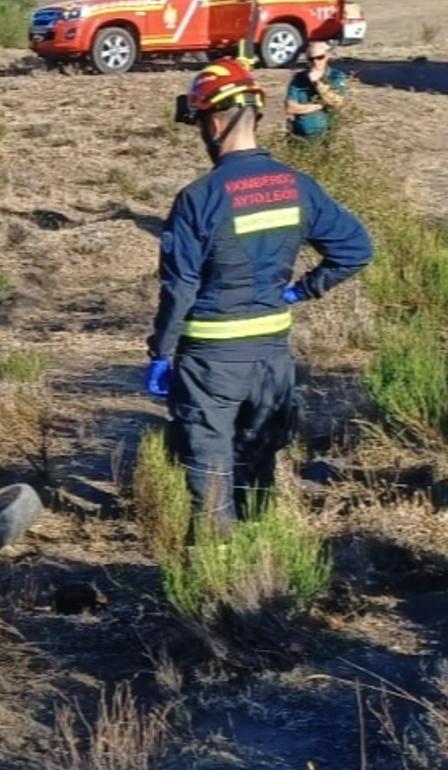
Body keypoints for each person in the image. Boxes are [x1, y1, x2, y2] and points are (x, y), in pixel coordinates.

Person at [148, 58, 372, 535]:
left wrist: (160, 352)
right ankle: (258, 561)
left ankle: (215, 578)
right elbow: (355, 250)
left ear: (213, 120)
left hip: (210, 358)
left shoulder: (198, 197)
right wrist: (299, 290)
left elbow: (180, 286)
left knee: (210, 469)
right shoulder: (297, 186)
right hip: (272, 354)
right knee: (257, 465)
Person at [285, 41, 347, 139]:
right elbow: (290, 108)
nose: (315, 62)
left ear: (327, 56)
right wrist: (318, 106)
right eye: (311, 59)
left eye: (320, 57)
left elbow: (337, 102)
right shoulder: (299, 78)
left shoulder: (335, 76)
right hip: (300, 137)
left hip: (327, 136)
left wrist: (317, 83)